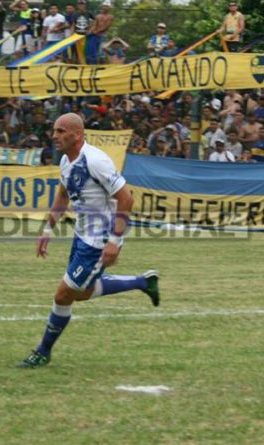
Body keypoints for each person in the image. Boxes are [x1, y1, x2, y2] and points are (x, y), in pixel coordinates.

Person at [17, 113, 160, 369]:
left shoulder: (96, 161)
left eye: (61, 131)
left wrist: (115, 241)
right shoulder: (65, 161)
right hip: (82, 235)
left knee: (63, 296)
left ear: (77, 134)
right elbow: (63, 194)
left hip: (99, 241)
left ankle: (42, 352)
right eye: (55, 131)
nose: (55, 136)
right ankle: (143, 282)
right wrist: (47, 230)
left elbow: (126, 199)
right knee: (81, 293)